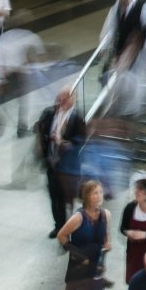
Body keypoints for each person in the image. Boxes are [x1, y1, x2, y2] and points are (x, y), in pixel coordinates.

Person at [57, 180, 112, 290]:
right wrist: (77, 254)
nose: (99, 196)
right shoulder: (78, 217)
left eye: (101, 192)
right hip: (78, 266)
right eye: (95, 193)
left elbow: (107, 238)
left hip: (95, 265)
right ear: (87, 196)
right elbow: (61, 236)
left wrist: (107, 244)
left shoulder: (105, 215)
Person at [37, 89, 87, 238]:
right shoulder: (50, 114)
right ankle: (58, 225)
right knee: (54, 196)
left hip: (67, 167)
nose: (62, 100)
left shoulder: (76, 117)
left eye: (66, 97)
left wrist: (69, 144)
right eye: (60, 97)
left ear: (73, 99)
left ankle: (68, 227)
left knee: (67, 199)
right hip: (52, 162)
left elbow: (82, 139)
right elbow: (41, 131)